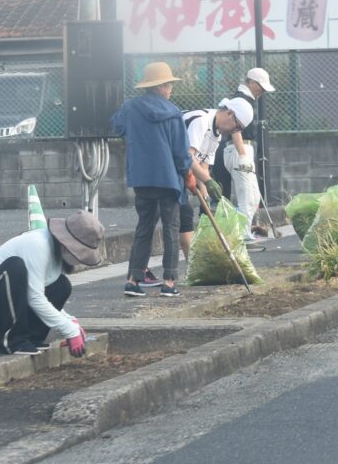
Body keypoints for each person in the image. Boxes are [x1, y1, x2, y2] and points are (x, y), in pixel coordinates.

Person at [0, 210, 104, 356]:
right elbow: (34, 297)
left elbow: (40, 294)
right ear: (67, 245)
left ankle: (32, 338)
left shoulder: (55, 254)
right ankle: (13, 342)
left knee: (62, 285)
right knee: (15, 267)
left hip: (9, 308)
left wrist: (71, 322)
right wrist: (69, 329)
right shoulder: (38, 245)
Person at [111, 61, 191, 298]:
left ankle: (133, 279)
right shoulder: (174, 113)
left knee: (144, 228)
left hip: (142, 177)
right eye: (169, 84)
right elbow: (181, 152)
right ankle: (169, 281)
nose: (170, 89)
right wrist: (186, 174)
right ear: (161, 86)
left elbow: (117, 126)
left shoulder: (130, 108)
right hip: (168, 179)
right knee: (171, 228)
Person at [180, 97, 255, 258]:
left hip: (182, 172)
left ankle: (193, 267)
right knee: (180, 216)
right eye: (236, 127)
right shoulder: (201, 121)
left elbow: (204, 165)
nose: (233, 132)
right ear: (229, 113)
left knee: (184, 217)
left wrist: (205, 197)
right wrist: (208, 181)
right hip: (168, 169)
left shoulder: (217, 136)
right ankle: (190, 268)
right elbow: (189, 156)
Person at [211, 67, 276, 242]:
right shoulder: (242, 100)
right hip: (239, 149)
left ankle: (242, 233)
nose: (262, 91)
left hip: (240, 150)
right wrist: (243, 156)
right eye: (260, 87)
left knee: (252, 195)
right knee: (247, 196)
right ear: (252, 83)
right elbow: (236, 129)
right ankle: (241, 236)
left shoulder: (244, 98)